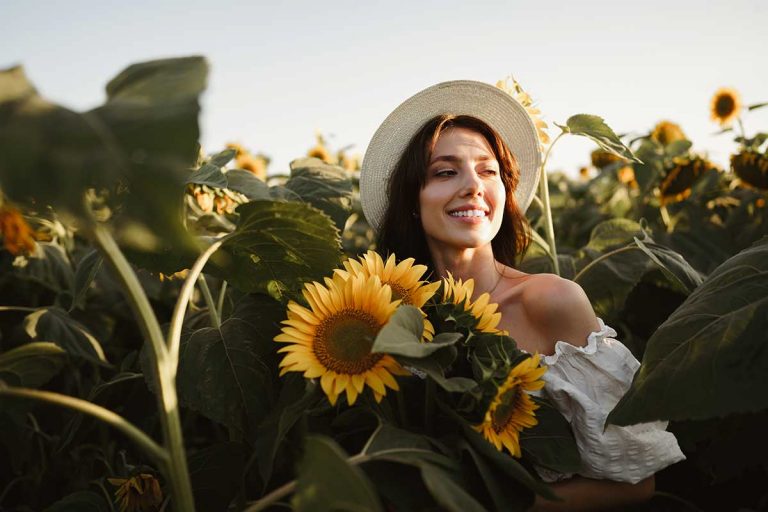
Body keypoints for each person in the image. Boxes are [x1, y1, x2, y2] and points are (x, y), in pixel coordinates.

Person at [359, 80, 685, 511]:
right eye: (445, 171)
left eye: (488, 170)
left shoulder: (550, 301)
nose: (474, 185)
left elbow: (636, 482)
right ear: (413, 201)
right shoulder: (394, 319)